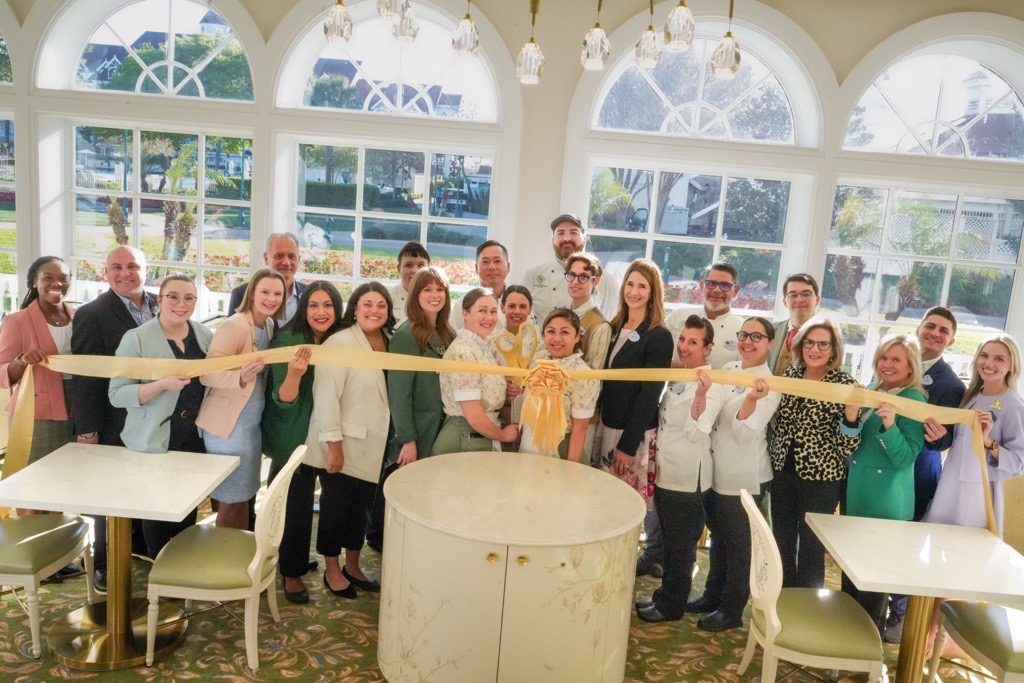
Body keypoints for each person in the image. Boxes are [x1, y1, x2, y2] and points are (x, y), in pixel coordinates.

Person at [70, 245, 159, 591]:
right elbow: (86, 376)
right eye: (117, 267)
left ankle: (136, 545)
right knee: (108, 494)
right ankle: (104, 563)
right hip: (111, 420)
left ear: (145, 270)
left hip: (151, 417)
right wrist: (88, 429)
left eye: (133, 266)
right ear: (105, 273)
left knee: (141, 488)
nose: (126, 273)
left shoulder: (158, 305)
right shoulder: (92, 314)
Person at [108, 274, 214, 558]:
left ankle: (180, 568)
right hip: (153, 437)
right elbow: (117, 395)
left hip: (193, 434)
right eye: (174, 297)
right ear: (160, 300)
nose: (182, 304)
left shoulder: (204, 334)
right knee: (156, 508)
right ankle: (159, 568)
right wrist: (161, 385)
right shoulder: (137, 338)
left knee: (187, 507)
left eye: (189, 298)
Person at [688, 316, 781, 632]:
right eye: (744, 334)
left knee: (740, 547)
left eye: (757, 336)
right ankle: (711, 597)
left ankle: (731, 610)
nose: (748, 341)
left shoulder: (770, 386)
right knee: (719, 540)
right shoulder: (727, 371)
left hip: (744, 476)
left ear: (770, 343)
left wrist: (752, 400)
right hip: (716, 471)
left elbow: (744, 433)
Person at [884, 306, 966, 643]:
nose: (934, 333)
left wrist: (938, 436)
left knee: (905, 546)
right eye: (930, 326)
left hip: (919, 470)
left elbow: (948, 437)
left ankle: (900, 611)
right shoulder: (895, 364)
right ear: (919, 327)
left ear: (951, 339)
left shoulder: (950, 383)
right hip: (882, 465)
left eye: (943, 330)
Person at [636, 315, 725, 623]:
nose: (685, 347)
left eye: (694, 342)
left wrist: (700, 395)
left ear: (708, 348)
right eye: (683, 339)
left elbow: (697, 431)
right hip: (666, 469)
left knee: (681, 546)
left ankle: (671, 605)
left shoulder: (710, 386)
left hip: (687, 476)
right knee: (672, 544)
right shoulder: (682, 374)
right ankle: (665, 598)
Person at [308, 282, 395, 598]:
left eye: (381, 305)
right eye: (367, 304)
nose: (375, 310)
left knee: (363, 510)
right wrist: (334, 446)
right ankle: (332, 569)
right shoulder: (340, 342)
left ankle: (353, 566)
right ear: (355, 309)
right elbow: (326, 398)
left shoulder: (390, 341)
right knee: (335, 509)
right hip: (343, 444)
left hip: (376, 443)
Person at [365, 267, 456, 552]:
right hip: (415, 429)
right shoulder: (408, 334)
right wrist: (406, 438)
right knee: (398, 488)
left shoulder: (445, 332)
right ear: (415, 295)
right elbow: (399, 392)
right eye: (427, 289)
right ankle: (380, 541)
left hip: (437, 425)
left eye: (439, 289)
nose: (434, 295)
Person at [840, 334, 926, 631]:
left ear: (911, 367)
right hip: (859, 492)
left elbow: (906, 458)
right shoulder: (873, 390)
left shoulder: (914, 400)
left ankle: (866, 656)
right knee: (852, 574)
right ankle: (844, 642)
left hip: (887, 501)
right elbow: (852, 443)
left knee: (873, 584)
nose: (887, 364)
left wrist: (890, 426)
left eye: (896, 360)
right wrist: (850, 418)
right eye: (883, 358)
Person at [769, 314, 860, 588]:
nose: (815, 349)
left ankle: (808, 607)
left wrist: (852, 418)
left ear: (834, 350)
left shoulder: (845, 384)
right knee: (781, 539)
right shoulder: (790, 375)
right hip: (783, 471)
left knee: (811, 547)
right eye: (809, 342)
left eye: (823, 344)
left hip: (821, 479)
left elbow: (847, 446)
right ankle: (782, 598)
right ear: (800, 345)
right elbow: (779, 421)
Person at [197, 268, 284, 529]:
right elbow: (207, 374)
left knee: (245, 496)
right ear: (252, 293)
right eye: (265, 292)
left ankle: (239, 550)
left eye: (277, 293)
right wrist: (240, 378)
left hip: (249, 425)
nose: (271, 298)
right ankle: (223, 557)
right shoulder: (234, 325)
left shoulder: (267, 324)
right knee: (231, 499)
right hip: (229, 428)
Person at [922, 334, 1024, 535]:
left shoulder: (1014, 406)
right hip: (950, 483)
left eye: (999, 359)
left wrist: (988, 441)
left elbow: (1018, 461)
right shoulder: (971, 396)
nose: (988, 363)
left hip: (978, 492)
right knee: (937, 541)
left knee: (968, 552)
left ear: (1012, 365)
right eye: (984, 356)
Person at [0, 257, 75, 519]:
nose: (57, 283)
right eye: (48, 277)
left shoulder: (79, 316)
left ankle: (58, 549)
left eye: (64, 278)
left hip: (77, 409)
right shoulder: (17, 321)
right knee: (34, 484)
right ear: (35, 281)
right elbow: (2, 369)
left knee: (62, 482)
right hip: (36, 414)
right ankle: (36, 552)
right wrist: (21, 361)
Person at [596, 259, 674, 505]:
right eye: (629, 284)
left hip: (631, 435)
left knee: (623, 507)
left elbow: (650, 396)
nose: (634, 291)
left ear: (653, 294)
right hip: (606, 426)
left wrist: (627, 446)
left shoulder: (659, 336)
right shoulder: (614, 326)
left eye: (642, 286)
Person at [433, 288, 519, 455]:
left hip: (478, 434)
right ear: (465, 314)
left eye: (493, 311)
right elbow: (473, 416)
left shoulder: (482, 346)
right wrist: (502, 435)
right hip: (465, 435)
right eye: (482, 311)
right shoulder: (463, 351)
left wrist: (503, 390)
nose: (489, 317)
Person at [519, 308, 600, 463]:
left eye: (564, 332)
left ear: (577, 336)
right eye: (550, 331)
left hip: (561, 448)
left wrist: (571, 467)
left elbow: (580, 428)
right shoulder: (538, 359)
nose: (556, 338)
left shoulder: (584, 375)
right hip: (528, 443)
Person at [522, 213, 619, 322]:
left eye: (573, 232)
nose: (567, 238)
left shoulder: (606, 280)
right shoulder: (532, 276)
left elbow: (611, 324)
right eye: (560, 233)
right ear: (552, 240)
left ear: (584, 239)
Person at [666, 262, 744, 370]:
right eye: (711, 283)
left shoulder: (742, 331)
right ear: (702, 286)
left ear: (735, 291)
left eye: (725, 285)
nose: (717, 290)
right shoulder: (678, 316)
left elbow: (744, 375)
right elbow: (654, 358)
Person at [228, 232, 306, 322]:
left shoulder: (309, 295)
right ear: (266, 258)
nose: (286, 262)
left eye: (291, 256)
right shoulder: (241, 294)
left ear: (298, 260)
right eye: (279, 256)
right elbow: (231, 332)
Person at [564, 252, 611, 372]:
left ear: (596, 281)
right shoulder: (560, 314)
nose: (575, 281)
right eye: (571, 275)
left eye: (583, 277)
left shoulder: (601, 326)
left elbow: (592, 375)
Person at [450, 241, 512, 332]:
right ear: (476, 268)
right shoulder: (463, 304)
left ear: (508, 267)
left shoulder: (520, 303)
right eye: (485, 262)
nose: (491, 267)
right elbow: (452, 339)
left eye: (497, 261)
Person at [766, 273, 821, 375]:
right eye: (793, 295)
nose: (799, 299)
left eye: (806, 294)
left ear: (817, 300)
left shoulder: (828, 338)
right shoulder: (769, 331)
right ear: (785, 302)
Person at [387, 241, 430, 325]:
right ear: (399, 269)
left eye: (421, 265)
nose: (415, 271)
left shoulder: (436, 299)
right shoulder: (388, 298)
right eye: (409, 265)